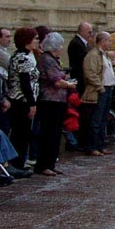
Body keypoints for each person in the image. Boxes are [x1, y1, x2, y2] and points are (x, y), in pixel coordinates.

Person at [36, 32, 77, 176]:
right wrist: (69, 84)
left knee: (55, 133)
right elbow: (56, 81)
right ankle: (44, 164)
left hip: (58, 101)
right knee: (48, 133)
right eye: (60, 46)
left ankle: (51, 163)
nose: (61, 48)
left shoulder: (53, 59)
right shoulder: (46, 59)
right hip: (50, 100)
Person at [5, 28, 40, 171]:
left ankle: (20, 161)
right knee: (20, 134)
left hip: (24, 100)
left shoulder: (26, 56)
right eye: (35, 38)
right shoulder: (22, 58)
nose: (38, 41)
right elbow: (25, 83)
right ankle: (17, 163)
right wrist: (32, 104)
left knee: (23, 133)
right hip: (21, 101)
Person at [80, 31, 115, 157]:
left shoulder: (104, 55)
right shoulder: (93, 55)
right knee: (95, 119)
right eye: (109, 40)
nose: (110, 43)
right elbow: (90, 73)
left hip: (107, 89)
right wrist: (100, 87)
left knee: (103, 119)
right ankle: (92, 146)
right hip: (99, 90)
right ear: (103, 41)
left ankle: (100, 145)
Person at [67, 21, 93, 96]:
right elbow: (84, 60)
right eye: (89, 32)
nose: (91, 35)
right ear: (83, 31)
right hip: (79, 77)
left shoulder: (82, 43)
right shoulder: (77, 43)